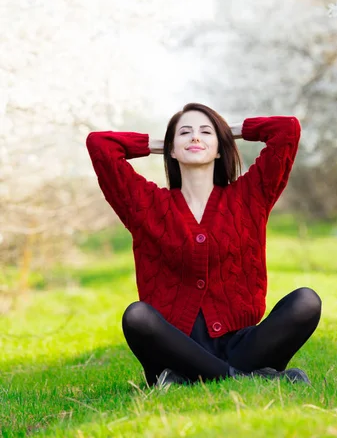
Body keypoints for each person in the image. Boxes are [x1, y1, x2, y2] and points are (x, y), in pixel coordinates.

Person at [86, 103, 321, 390]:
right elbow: (100, 144)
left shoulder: (249, 198)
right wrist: (159, 144)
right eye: (185, 132)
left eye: (206, 132)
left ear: (220, 147)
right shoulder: (146, 205)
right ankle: (245, 377)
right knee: (137, 316)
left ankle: (192, 379)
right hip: (175, 349)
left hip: (241, 345)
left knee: (306, 302)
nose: (195, 138)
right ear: (171, 149)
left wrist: (229, 131)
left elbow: (286, 130)